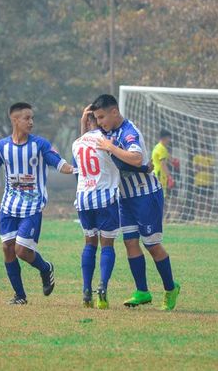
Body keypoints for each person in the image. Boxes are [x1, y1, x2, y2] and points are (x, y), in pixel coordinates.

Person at [0, 102, 74, 305]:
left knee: (21, 251)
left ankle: (45, 268)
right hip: (8, 206)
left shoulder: (40, 145)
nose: (31, 122)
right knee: (7, 248)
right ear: (15, 120)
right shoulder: (1, 147)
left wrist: (76, 169)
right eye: (27, 118)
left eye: (32, 118)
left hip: (32, 207)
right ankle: (20, 296)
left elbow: (60, 164)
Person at [90, 94, 180, 311]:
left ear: (114, 112)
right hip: (125, 197)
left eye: (102, 117)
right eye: (97, 118)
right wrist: (87, 118)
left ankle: (171, 288)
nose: (100, 122)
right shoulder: (108, 131)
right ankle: (142, 291)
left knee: (151, 244)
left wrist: (110, 148)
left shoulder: (129, 132)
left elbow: (137, 159)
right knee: (130, 242)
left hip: (145, 195)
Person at [73, 110, 121, 309]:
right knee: (107, 245)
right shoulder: (107, 140)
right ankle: (102, 287)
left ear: (86, 121)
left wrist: (83, 122)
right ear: (99, 120)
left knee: (89, 244)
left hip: (84, 199)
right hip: (105, 198)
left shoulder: (76, 144)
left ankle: (86, 290)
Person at [151, 129, 175, 196]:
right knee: (161, 197)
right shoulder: (162, 149)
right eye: (169, 138)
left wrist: (173, 161)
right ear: (165, 138)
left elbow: (167, 156)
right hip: (160, 175)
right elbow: (163, 164)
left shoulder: (158, 146)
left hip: (155, 173)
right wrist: (169, 176)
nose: (169, 140)